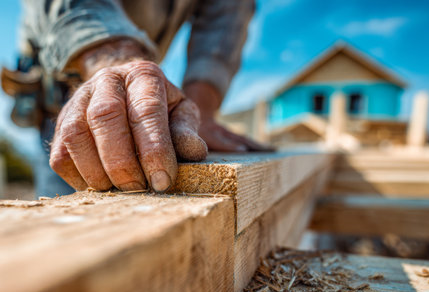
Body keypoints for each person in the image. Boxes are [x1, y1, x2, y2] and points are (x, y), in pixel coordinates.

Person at [4, 0, 271, 197]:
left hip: (138, 90)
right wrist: (113, 58)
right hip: (67, 86)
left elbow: (226, 16)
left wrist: (198, 113)